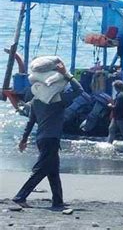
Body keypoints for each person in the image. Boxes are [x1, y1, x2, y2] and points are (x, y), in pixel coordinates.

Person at [13, 62, 84, 209]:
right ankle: (20, 196)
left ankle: (57, 201)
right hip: (51, 139)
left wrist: (24, 140)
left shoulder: (36, 101)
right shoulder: (58, 100)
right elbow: (79, 90)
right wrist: (66, 74)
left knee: (53, 171)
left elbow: (31, 123)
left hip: (42, 139)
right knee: (41, 170)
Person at [107, 80, 123, 146]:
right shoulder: (122, 94)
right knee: (111, 129)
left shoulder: (120, 96)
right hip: (117, 117)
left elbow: (117, 107)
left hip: (121, 117)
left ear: (116, 87)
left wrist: (110, 106)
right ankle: (109, 143)